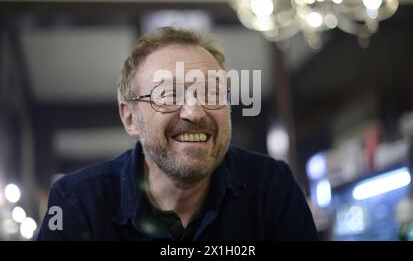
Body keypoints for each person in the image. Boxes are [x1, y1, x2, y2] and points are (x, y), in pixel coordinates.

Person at [37, 27, 318, 241]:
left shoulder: (271, 188)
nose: (194, 113)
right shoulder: (78, 201)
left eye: (211, 93)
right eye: (168, 94)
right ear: (130, 117)